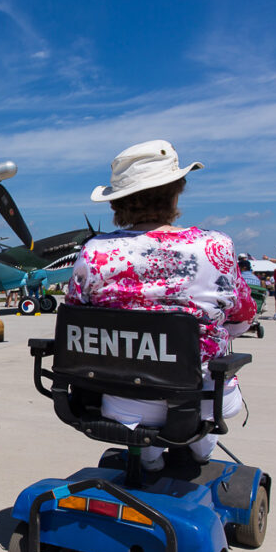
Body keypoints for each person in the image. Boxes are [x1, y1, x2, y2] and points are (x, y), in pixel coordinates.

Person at [66, 140, 256, 471]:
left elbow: (75, 315)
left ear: (118, 201)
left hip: (124, 399)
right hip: (202, 398)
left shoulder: (94, 252)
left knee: (143, 422)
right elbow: (244, 315)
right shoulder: (216, 246)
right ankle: (198, 452)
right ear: (176, 190)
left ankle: (149, 461)